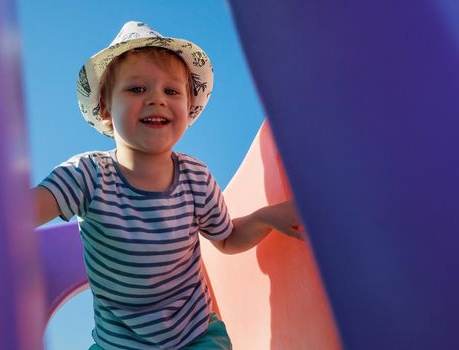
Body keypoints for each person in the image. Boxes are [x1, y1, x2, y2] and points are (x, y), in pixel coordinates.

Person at [33, 21, 304, 350]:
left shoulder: (195, 178)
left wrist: (265, 217)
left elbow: (228, 238)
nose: (156, 100)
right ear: (106, 107)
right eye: (137, 89)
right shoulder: (87, 175)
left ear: (188, 108)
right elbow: (18, 215)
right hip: (119, 346)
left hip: (195, 337)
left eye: (171, 91)